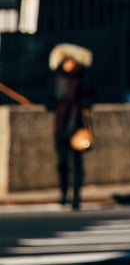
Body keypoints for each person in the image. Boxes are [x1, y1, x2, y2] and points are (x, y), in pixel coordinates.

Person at [48, 44, 94, 211]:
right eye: (67, 61)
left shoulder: (82, 80)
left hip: (76, 125)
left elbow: (90, 98)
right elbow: (49, 99)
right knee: (62, 163)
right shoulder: (55, 79)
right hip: (61, 125)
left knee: (77, 163)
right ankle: (63, 194)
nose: (70, 65)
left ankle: (76, 197)